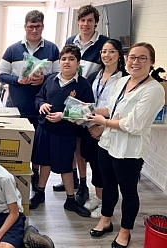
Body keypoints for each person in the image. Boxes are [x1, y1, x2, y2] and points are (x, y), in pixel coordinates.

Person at [87, 42, 165, 248]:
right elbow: (110, 108)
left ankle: (125, 231)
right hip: (108, 143)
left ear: (151, 62)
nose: (135, 62)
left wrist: (103, 122)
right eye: (132, 57)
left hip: (129, 150)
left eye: (142, 58)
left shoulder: (154, 90)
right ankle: (105, 220)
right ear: (126, 59)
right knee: (109, 185)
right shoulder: (122, 81)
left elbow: (134, 125)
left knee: (128, 192)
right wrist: (87, 110)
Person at [0, 10, 60, 193]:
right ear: (25, 27)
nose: (34, 30)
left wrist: (44, 79)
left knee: (37, 147)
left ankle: (35, 174)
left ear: (42, 27)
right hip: (17, 107)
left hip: (41, 108)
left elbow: (58, 75)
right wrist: (18, 80)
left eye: (37, 26)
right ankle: (16, 176)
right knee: (17, 145)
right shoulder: (12, 49)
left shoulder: (52, 49)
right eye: (31, 26)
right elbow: (0, 75)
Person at [28, 45, 94, 218]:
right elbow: (39, 97)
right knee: (44, 163)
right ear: (59, 61)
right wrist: (41, 104)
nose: (67, 62)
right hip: (45, 129)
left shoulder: (83, 84)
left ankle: (70, 200)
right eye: (64, 59)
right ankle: (40, 193)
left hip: (66, 133)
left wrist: (63, 115)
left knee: (65, 166)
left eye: (71, 59)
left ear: (78, 63)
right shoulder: (50, 79)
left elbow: (88, 111)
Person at [54, 5, 109, 205]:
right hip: (71, 99)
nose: (86, 24)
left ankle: (85, 185)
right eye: (82, 20)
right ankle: (76, 180)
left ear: (96, 22)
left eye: (90, 21)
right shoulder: (71, 41)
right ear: (78, 22)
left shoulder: (104, 43)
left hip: (91, 101)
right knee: (73, 144)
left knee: (83, 146)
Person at [81, 39, 128, 218]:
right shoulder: (95, 75)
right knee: (95, 165)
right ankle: (99, 198)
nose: (106, 55)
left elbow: (119, 108)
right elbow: (90, 102)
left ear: (119, 55)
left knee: (107, 171)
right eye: (103, 52)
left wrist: (102, 127)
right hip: (91, 126)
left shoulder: (124, 79)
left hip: (109, 128)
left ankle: (107, 206)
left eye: (111, 52)